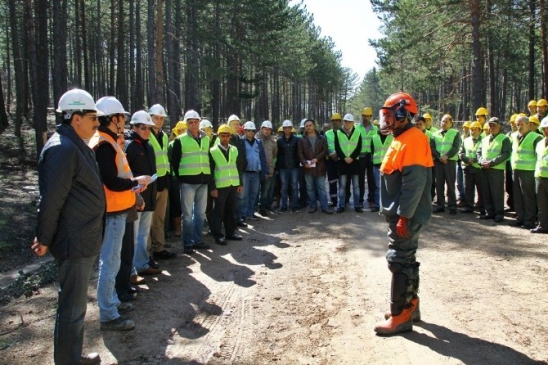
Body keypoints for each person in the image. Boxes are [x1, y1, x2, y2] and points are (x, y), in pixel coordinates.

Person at [33, 89, 105, 365]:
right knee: (72, 308)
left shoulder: (74, 144)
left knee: (76, 307)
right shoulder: (62, 149)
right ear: (76, 118)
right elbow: (51, 199)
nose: (97, 124)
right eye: (92, 118)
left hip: (82, 236)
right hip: (73, 239)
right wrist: (44, 237)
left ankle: (72, 356)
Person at [374, 92, 433, 336]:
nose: (385, 120)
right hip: (400, 212)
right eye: (384, 115)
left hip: (405, 214)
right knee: (406, 258)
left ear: (402, 114)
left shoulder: (413, 139)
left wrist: (404, 216)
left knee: (399, 260)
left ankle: (400, 315)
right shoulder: (402, 137)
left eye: (389, 115)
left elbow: (414, 183)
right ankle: (411, 306)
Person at [92, 96, 150, 332]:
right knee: (110, 262)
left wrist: (134, 188)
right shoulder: (103, 145)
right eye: (122, 117)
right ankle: (108, 313)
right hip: (112, 211)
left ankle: (113, 302)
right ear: (113, 119)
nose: (124, 121)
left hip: (119, 208)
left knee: (113, 261)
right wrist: (135, 182)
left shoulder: (108, 141)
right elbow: (112, 182)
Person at [125, 111, 164, 274]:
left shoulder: (148, 145)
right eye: (143, 127)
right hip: (136, 198)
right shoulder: (130, 146)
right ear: (134, 127)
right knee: (133, 236)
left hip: (149, 197)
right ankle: (131, 270)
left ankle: (141, 264)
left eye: (149, 127)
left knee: (143, 234)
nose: (147, 131)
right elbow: (125, 173)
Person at [171, 110, 212, 254]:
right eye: (190, 122)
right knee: (187, 215)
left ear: (199, 122)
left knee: (200, 214)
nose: (194, 124)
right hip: (187, 183)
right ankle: (187, 243)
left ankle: (198, 240)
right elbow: (174, 162)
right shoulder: (180, 140)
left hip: (203, 181)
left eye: (196, 121)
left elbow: (208, 158)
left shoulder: (206, 139)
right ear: (187, 124)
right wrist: (181, 178)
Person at [148, 104, 177, 261]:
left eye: (161, 118)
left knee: (160, 218)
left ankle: (159, 248)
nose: (158, 121)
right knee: (148, 221)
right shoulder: (147, 135)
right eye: (155, 118)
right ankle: (147, 252)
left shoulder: (165, 136)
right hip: (151, 183)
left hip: (164, 181)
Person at [209, 124, 245, 245]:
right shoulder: (213, 151)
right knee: (219, 211)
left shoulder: (234, 149)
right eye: (222, 135)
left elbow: (238, 167)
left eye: (227, 135)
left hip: (233, 184)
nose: (225, 138)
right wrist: (212, 187)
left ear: (230, 136)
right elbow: (210, 170)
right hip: (220, 186)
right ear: (218, 136)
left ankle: (230, 233)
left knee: (231, 210)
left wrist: (240, 183)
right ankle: (218, 235)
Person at [477, 117, 511, 223]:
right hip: (484, 168)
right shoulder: (485, 139)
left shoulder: (504, 139)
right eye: (490, 125)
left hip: (496, 169)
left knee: (497, 193)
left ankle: (499, 214)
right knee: (486, 191)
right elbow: (479, 152)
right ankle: (489, 212)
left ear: (499, 126)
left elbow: (505, 153)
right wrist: (481, 161)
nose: (491, 127)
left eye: (494, 125)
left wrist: (491, 163)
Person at [510, 115, 542, 229]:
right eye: (517, 125)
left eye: (521, 124)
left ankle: (529, 220)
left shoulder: (536, 137)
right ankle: (520, 218)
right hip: (516, 169)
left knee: (528, 197)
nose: (519, 127)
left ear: (529, 125)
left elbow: (539, 155)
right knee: (518, 196)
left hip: (528, 171)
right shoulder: (513, 136)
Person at [297, 118, 333, 214]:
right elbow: (300, 153)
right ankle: (313, 206)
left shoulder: (321, 138)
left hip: (320, 167)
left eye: (310, 125)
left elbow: (325, 150)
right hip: (308, 168)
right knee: (310, 188)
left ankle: (324, 207)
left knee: (321, 187)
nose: (308, 127)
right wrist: (305, 163)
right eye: (306, 126)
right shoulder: (302, 140)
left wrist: (317, 158)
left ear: (314, 126)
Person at [431, 114, 461, 215]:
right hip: (438, 162)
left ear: (451, 123)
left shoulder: (455, 133)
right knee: (439, 184)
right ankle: (440, 205)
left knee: (450, 184)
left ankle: (452, 206)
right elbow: (432, 147)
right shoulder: (435, 134)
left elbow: (455, 147)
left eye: (446, 122)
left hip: (450, 162)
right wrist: (439, 157)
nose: (444, 123)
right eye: (442, 121)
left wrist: (446, 156)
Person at [334, 113, 363, 213]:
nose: (347, 123)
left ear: (352, 122)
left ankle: (357, 205)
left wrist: (352, 158)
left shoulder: (358, 132)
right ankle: (341, 205)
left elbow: (359, 147)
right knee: (342, 186)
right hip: (342, 163)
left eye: (349, 122)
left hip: (354, 162)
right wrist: (344, 158)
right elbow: (337, 148)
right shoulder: (338, 133)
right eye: (346, 121)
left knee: (356, 186)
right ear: (343, 121)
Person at [240, 121, 268, 221]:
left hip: (256, 172)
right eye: (248, 130)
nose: (250, 132)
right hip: (245, 172)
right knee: (244, 195)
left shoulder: (258, 142)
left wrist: (265, 171)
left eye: (252, 130)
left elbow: (262, 157)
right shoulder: (241, 141)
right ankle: (243, 214)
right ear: (244, 131)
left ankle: (250, 213)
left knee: (254, 194)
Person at [459, 121, 485, 215]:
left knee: (481, 189)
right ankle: (469, 206)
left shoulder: (484, 140)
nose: (472, 132)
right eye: (471, 130)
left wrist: (475, 160)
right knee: (468, 188)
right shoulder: (466, 140)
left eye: (474, 130)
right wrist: (466, 159)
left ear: (479, 130)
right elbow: (461, 152)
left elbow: (484, 153)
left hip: (478, 168)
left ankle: (482, 208)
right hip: (467, 167)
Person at [227, 114, 248, 226]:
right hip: (230, 172)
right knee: (231, 198)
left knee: (240, 197)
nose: (235, 126)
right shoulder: (227, 138)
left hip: (240, 171)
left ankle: (238, 218)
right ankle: (230, 220)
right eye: (233, 124)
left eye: (237, 124)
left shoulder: (239, 139)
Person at [276, 119, 300, 213]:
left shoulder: (297, 140)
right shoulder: (279, 141)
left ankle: (294, 205)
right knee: (284, 187)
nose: (287, 129)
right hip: (283, 168)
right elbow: (278, 155)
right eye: (285, 128)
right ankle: (284, 206)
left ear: (291, 128)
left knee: (294, 187)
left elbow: (299, 153)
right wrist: (277, 167)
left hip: (294, 167)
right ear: (283, 129)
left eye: (288, 128)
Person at [356, 107, 378, 209]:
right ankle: (360, 200)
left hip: (371, 157)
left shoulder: (375, 129)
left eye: (367, 116)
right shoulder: (356, 128)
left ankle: (371, 200)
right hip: (360, 157)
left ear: (370, 116)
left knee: (371, 179)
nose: (365, 117)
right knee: (360, 179)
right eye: (364, 115)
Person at [255, 120, 278, 215]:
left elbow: (274, 155)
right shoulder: (255, 139)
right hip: (256, 169)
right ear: (261, 129)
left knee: (266, 191)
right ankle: (253, 208)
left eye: (269, 129)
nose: (267, 131)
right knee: (255, 191)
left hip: (269, 169)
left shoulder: (273, 141)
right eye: (265, 129)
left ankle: (263, 208)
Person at [370, 128, 393, 213]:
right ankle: (377, 205)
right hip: (377, 165)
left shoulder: (392, 137)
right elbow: (372, 151)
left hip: (389, 166)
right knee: (377, 186)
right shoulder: (374, 137)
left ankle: (387, 206)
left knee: (388, 186)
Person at [532, 117, 548, 233]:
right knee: (541, 204)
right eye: (544, 129)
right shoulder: (540, 143)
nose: (546, 131)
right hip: (540, 176)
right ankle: (542, 225)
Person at [326, 113, 342, 207]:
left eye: (337, 120)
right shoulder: (327, 133)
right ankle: (334, 201)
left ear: (340, 121)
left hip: (341, 160)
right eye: (333, 120)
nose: (335, 122)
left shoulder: (344, 132)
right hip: (331, 161)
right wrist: (330, 154)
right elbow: (324, 146)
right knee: (332, 182)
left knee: (343, 182)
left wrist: (337, 154)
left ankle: (344, 201)